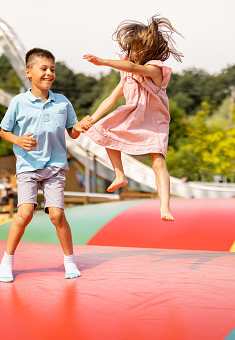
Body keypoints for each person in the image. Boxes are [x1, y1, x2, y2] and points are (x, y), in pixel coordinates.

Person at [0, 48, 91, 283]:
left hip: (56, 165)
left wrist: (81, 126)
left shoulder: (62, 102)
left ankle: (70, 261)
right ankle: (6, 261)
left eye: (52, 69)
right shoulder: (18, 102)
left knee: (57, 216)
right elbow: (3, 131)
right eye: (44, 69)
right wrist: (18, 140)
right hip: (27, 165)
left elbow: (73, 132)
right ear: (29, 72)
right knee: (25, 213)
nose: (49, 73)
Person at [82, 15, 183, 222]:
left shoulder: (155, 69)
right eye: (130, 49)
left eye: (137, 49)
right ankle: (120, 175)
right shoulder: (126, 74)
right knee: (105, 132)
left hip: (155, 120)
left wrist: (102, 62)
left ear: (149, 51)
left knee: (157, 162)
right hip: (133, 114)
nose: (132, 54)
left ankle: (165, 207)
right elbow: (112, 97)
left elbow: (136, 68)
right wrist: (93, 118)